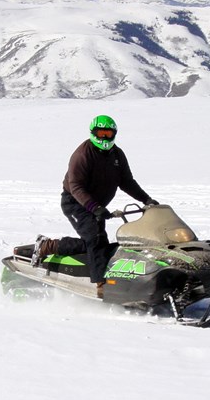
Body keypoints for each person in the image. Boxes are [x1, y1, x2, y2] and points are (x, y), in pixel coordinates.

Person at [32, 114, 158, 298]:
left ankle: (50, 246)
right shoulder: (83, 154)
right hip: (75, 202)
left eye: (109, 134)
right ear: (93, 133)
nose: (105, 138)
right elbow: (76, 186)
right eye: (101, 133)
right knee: (96, 238)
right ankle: (101, 285)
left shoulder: (117, 154)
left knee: (97, 243)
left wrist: (146, 200)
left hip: (96, 205)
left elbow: (127, 181)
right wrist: (93, 207)